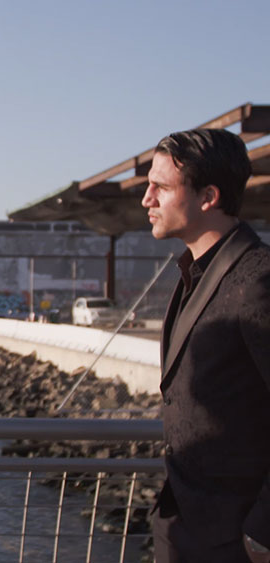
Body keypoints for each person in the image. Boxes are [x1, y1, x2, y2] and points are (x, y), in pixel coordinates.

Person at [143, 128, 270, 562]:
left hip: (233, 542)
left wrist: (261, 534)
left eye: (160, 187)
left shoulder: (258, 281)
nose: (147, 200)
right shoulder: (193, 276)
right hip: (188, 531)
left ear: (208, 197)